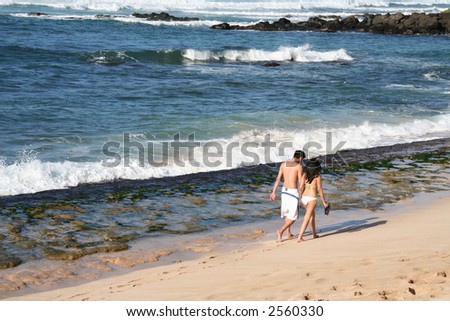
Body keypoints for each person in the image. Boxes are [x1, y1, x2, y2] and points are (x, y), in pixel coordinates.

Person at [270, 150, 305, 242]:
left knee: (287, 213)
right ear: (300, 158)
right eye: (302, 159)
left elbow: (278, 179)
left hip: (284, 191)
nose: (302, 161)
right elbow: (301, 183)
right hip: (293, 192)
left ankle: (288, 233)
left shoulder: (283, 164)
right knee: (293, 216)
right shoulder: (298, 167)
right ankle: (281, 231)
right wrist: (302, 196)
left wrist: (273, 192)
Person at [297, 158, 330, 243]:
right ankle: (300, 237)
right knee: (307, 218)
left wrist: (301, 198)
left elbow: (301, 188)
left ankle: (314, 234)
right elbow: (320, 189)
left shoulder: (304, 175)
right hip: (312, 198)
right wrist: (324, 202)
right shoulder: (317, 176)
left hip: (304, 197)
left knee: (312, 216)